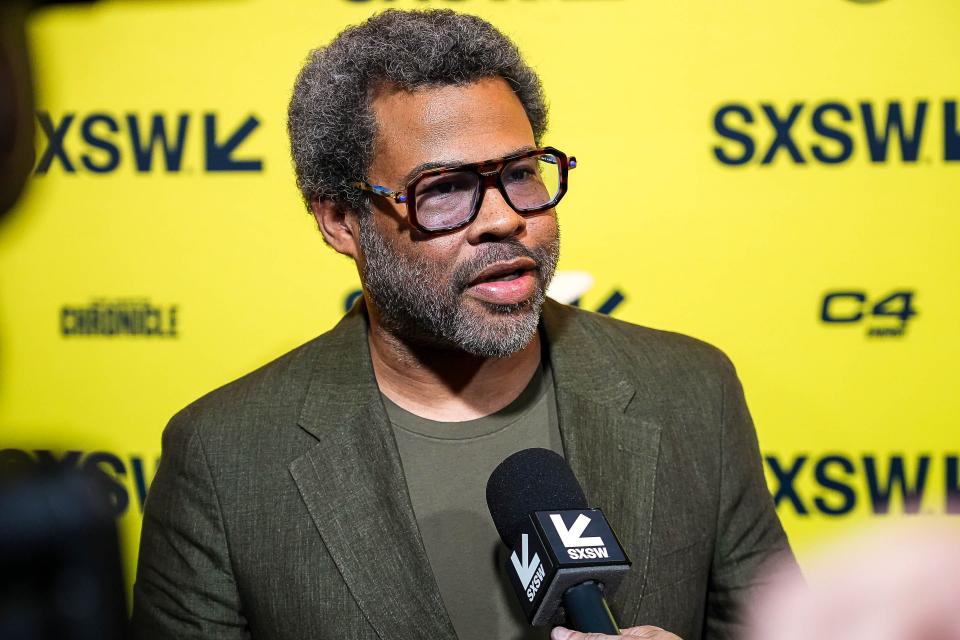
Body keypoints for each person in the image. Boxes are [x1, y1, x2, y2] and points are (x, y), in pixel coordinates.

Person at [131, 9, 797, 640]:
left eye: (520, 172)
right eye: (444, 188)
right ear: (340, 221)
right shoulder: (223, 458)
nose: (505, 217)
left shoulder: (690, 390)